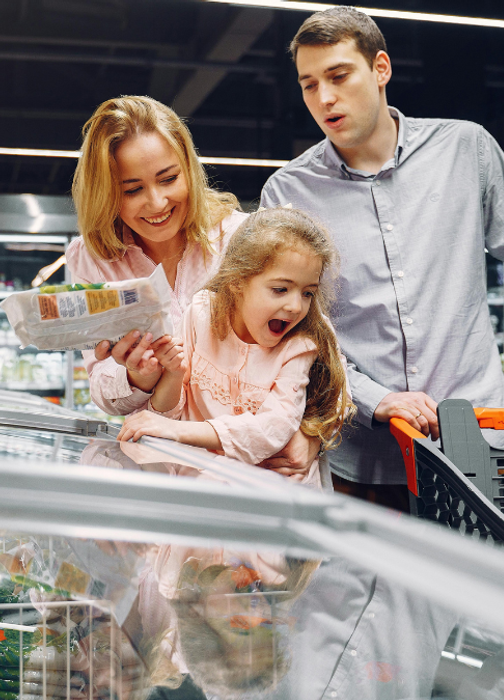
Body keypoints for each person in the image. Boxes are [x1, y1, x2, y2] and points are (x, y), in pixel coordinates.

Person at [260, 8, 504, 502]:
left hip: (477, 447)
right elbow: (284, 332)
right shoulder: (288, 193)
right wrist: (375, 399)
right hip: (360, 460)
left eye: (339, 76)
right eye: (308, 85)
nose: (324, 98)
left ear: (380, 68)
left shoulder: (465, 150)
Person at [68, 96, 319, 477]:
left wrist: (311, 432)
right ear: (105, 192)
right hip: (164, 478)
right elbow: (103, 388)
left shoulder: (243, 239)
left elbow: (322, 354)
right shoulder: (91, 260)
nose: (157, 202)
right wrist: (139, 377)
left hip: (261, 475)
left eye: (169, 179)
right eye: (132, 189)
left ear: (189, 168)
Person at [116, 208, 354, 486]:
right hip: (198, 494)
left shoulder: (301, 343)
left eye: (308, 293)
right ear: (238, 281)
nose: (295, 306)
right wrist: (172, 374)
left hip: (272, 499)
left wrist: (176, 430)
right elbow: (167, 414)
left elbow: (273, 428)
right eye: (280, 289)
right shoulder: (202, 314)